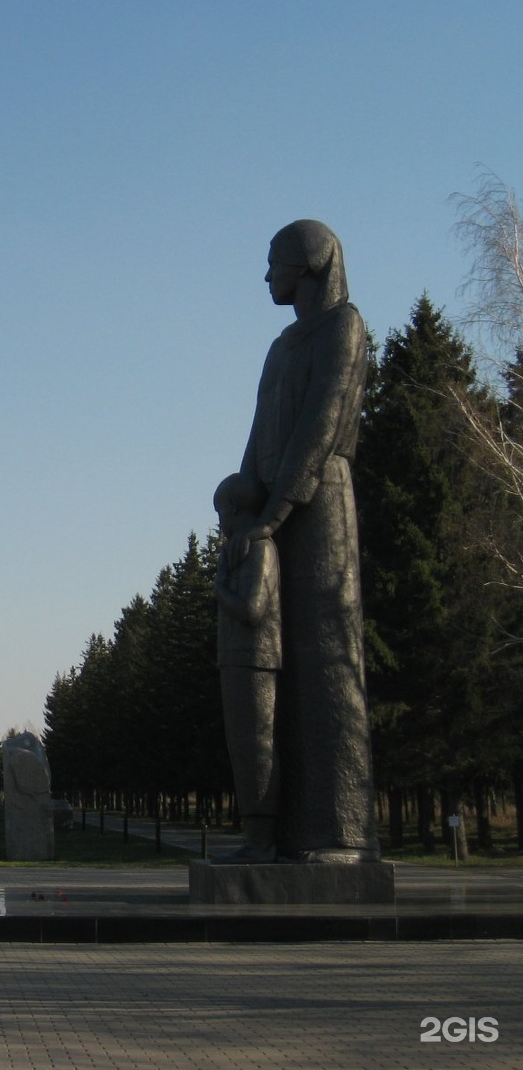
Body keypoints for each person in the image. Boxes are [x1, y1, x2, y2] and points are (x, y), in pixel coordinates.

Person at [226, 219, 379, 862]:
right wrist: (242, 502)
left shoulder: (344, 327)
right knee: (276, 680)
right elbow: (260, 436)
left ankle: (340, 835)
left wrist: (277, 510)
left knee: (326, 665)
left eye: (275, 263)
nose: (267, 276)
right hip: (276, 516)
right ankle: (282, 835)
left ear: (309, 263)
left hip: (320, 514)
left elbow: (322, 426)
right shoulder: (281, 345)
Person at [213, 473, 281, 862]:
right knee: (242, 748)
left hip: (256, 659)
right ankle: (254, 837)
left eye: (221, 511)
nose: (219, 522)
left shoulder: (261, 550)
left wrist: (220, 587)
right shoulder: (240, 549)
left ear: (233, 508)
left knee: (256, 747)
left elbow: (253, 609)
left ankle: (262, 841)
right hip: (236, 659)